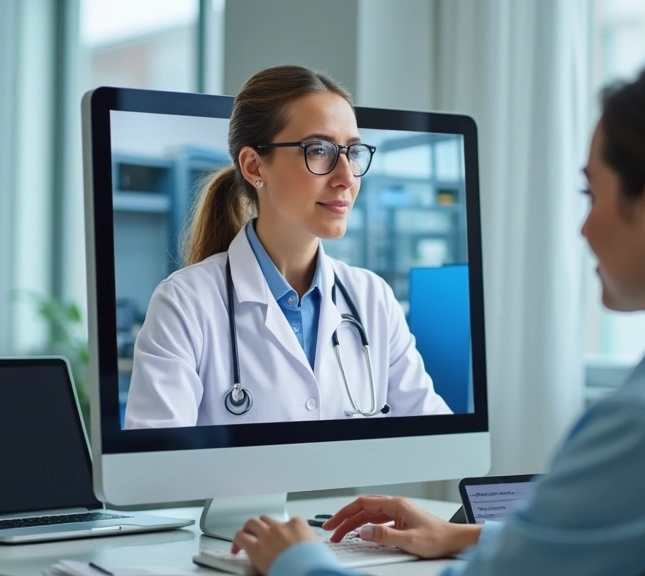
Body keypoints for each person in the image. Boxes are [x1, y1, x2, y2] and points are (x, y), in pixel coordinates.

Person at [227, 55, 645, 575]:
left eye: (592, 193)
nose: (582, 229)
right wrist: (468, 535)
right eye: (321, 152)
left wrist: (295, 558)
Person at [124, 66, 452, 428]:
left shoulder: (372, 297)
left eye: (353, 152)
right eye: (319, 150)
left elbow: (439, 435)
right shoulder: (184, 303)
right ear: (254, 166)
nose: (346, 177)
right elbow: (155, 471)